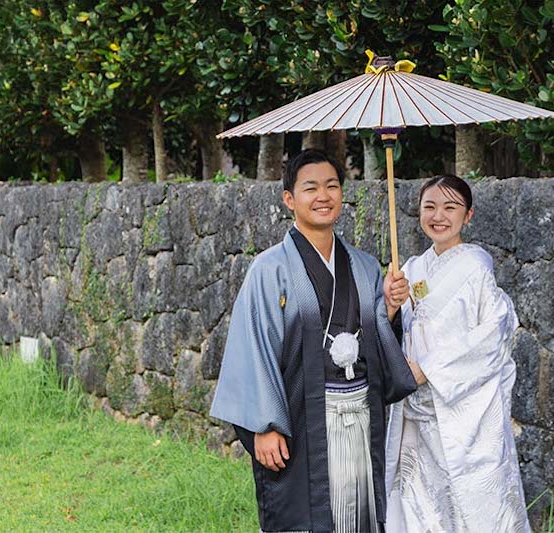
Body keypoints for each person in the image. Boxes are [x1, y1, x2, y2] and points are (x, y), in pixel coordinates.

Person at [210, 149, 417, 533]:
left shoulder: (365, 266)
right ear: (289, 199)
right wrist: (263, 425)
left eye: (331, 186)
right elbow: (253, 348)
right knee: (304, 516)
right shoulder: (268, 270)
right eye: (311, 188)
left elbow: (377, 344)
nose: (323, 196)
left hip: (359, 417)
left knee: (359, 514)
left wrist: (388, 307)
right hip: (300, 419)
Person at [383, 175, 531, 533]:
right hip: (416, 409)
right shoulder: (412, 269)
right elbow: (398, 330)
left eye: (450, 207)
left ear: (468, 215)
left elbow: (492, 336)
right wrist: (390, 305)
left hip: (464, 408)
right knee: (418, 501)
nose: (439, 216)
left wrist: (428, 369)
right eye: (430, 207)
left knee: (471, 503)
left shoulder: (476, 268)